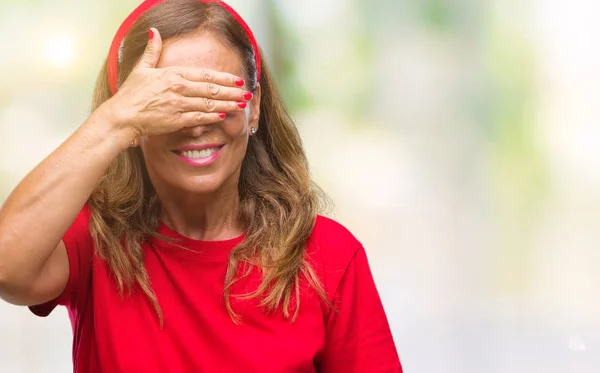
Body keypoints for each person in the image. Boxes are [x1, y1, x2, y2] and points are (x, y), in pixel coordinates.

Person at [0, 0, 402, 372]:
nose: (197, 123)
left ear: (255, 106)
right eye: (172, 100)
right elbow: (7, 268)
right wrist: (116, 121)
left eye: (217, 95)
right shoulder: (94, 239)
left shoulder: (328, 255)